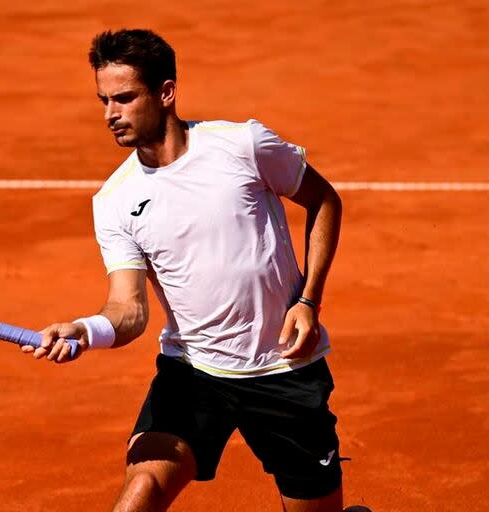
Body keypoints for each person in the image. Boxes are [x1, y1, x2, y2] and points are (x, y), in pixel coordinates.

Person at [21, 28, 344, 512]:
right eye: (103, 100)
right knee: (140, 493)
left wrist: (307, 300)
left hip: (283, 369)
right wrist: (86, 330)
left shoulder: (242, 146)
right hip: (192, 375)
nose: (111, 114)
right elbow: (127, 309)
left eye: (125, 98)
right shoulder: (115, 201)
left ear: (165, 93)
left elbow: (323, 201)